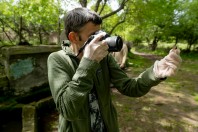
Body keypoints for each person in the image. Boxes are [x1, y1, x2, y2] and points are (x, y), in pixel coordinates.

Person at [47, 7, 182, 132]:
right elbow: (68, 110)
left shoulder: (104, 57)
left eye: (100, 33)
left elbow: (129, 87)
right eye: (93, 35)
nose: (101, 40)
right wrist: (89, 63)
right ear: (74, 37)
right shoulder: (57, 60)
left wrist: (155, 72)